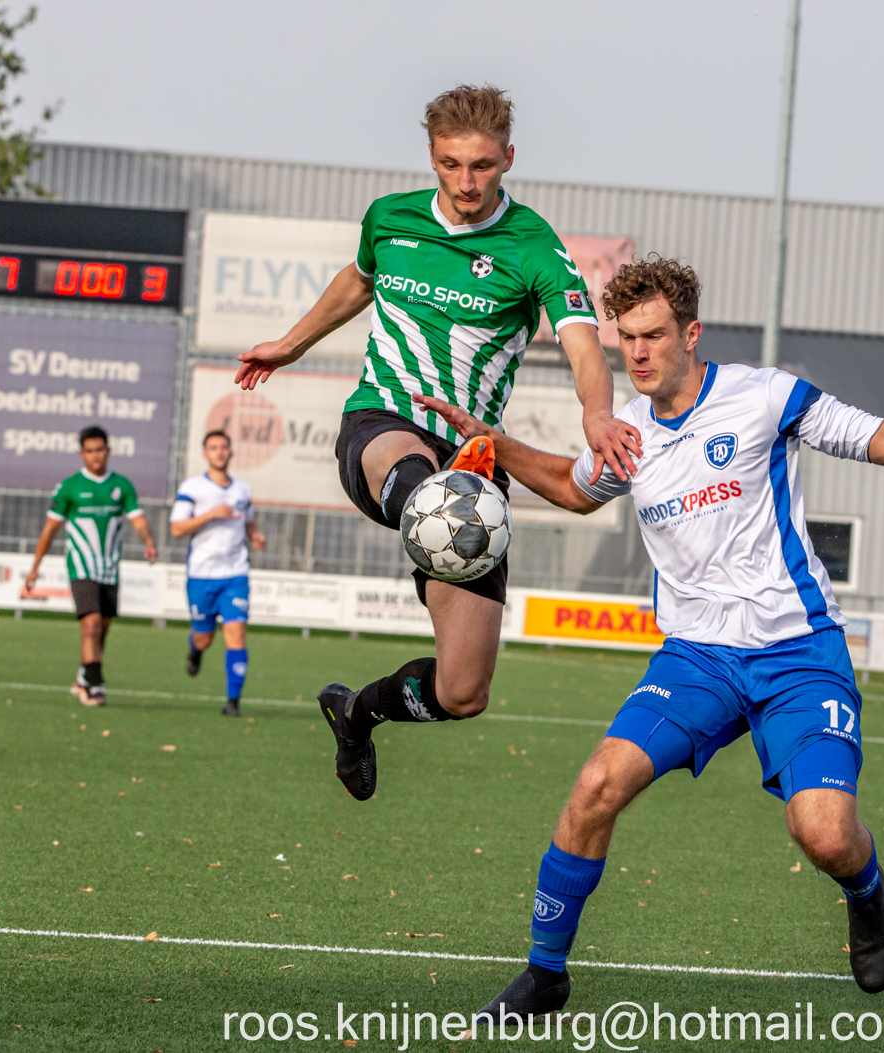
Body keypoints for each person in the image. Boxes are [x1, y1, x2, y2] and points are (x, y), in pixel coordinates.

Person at [414, 256, 884, 1017]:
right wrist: (499, 443)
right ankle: (546, 972)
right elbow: (574, 489)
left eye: (654, 335)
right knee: (595, 788)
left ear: (691, 334)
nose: (639, 353)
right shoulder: (628, 433)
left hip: (798, 652)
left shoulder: (764, 396)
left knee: (824, 834)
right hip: (698, 660)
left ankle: (866, 890)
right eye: (627, 339)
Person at [232, 84, 640, 798]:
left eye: (482, 165)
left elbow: (583, 345)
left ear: (508, 158)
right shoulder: (390, 219)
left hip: (473, 461)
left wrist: (598, 414)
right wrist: (291, 344)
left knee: (462, 691)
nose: (466, 182)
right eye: (451, 164)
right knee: (427, 489)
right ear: (431, 156)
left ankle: (357, 713)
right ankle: (429, 502)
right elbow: (358, 281)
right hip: (383, 428)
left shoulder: (534, 246)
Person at [24, 425, 157, 706]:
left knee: (102, 628)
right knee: (91, 623)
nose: (95, 456)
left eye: (100, 450)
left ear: (108, 451)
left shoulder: (122, 485)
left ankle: (84, 676)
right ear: (81, 454)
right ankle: (95, 686)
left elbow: (138, 519)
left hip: (110, 567)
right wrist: (35, 567)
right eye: (90, 451)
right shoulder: (69, 487)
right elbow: (49, 531)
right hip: (81, 566)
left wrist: (149, 542)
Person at [169, 430, 266, 716]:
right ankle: (195, 650)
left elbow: (248, 522)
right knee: (205, 637)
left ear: (230, 452)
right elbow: (177, 528)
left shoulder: (242, 490)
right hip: (201, 574)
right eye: (213, 448)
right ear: (205, 453)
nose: (219, 452)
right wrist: (210, 514)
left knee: (236, 635)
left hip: (235, 573)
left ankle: (233, 702)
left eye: (224, 447)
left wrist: (255, 535)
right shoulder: (193, 487)